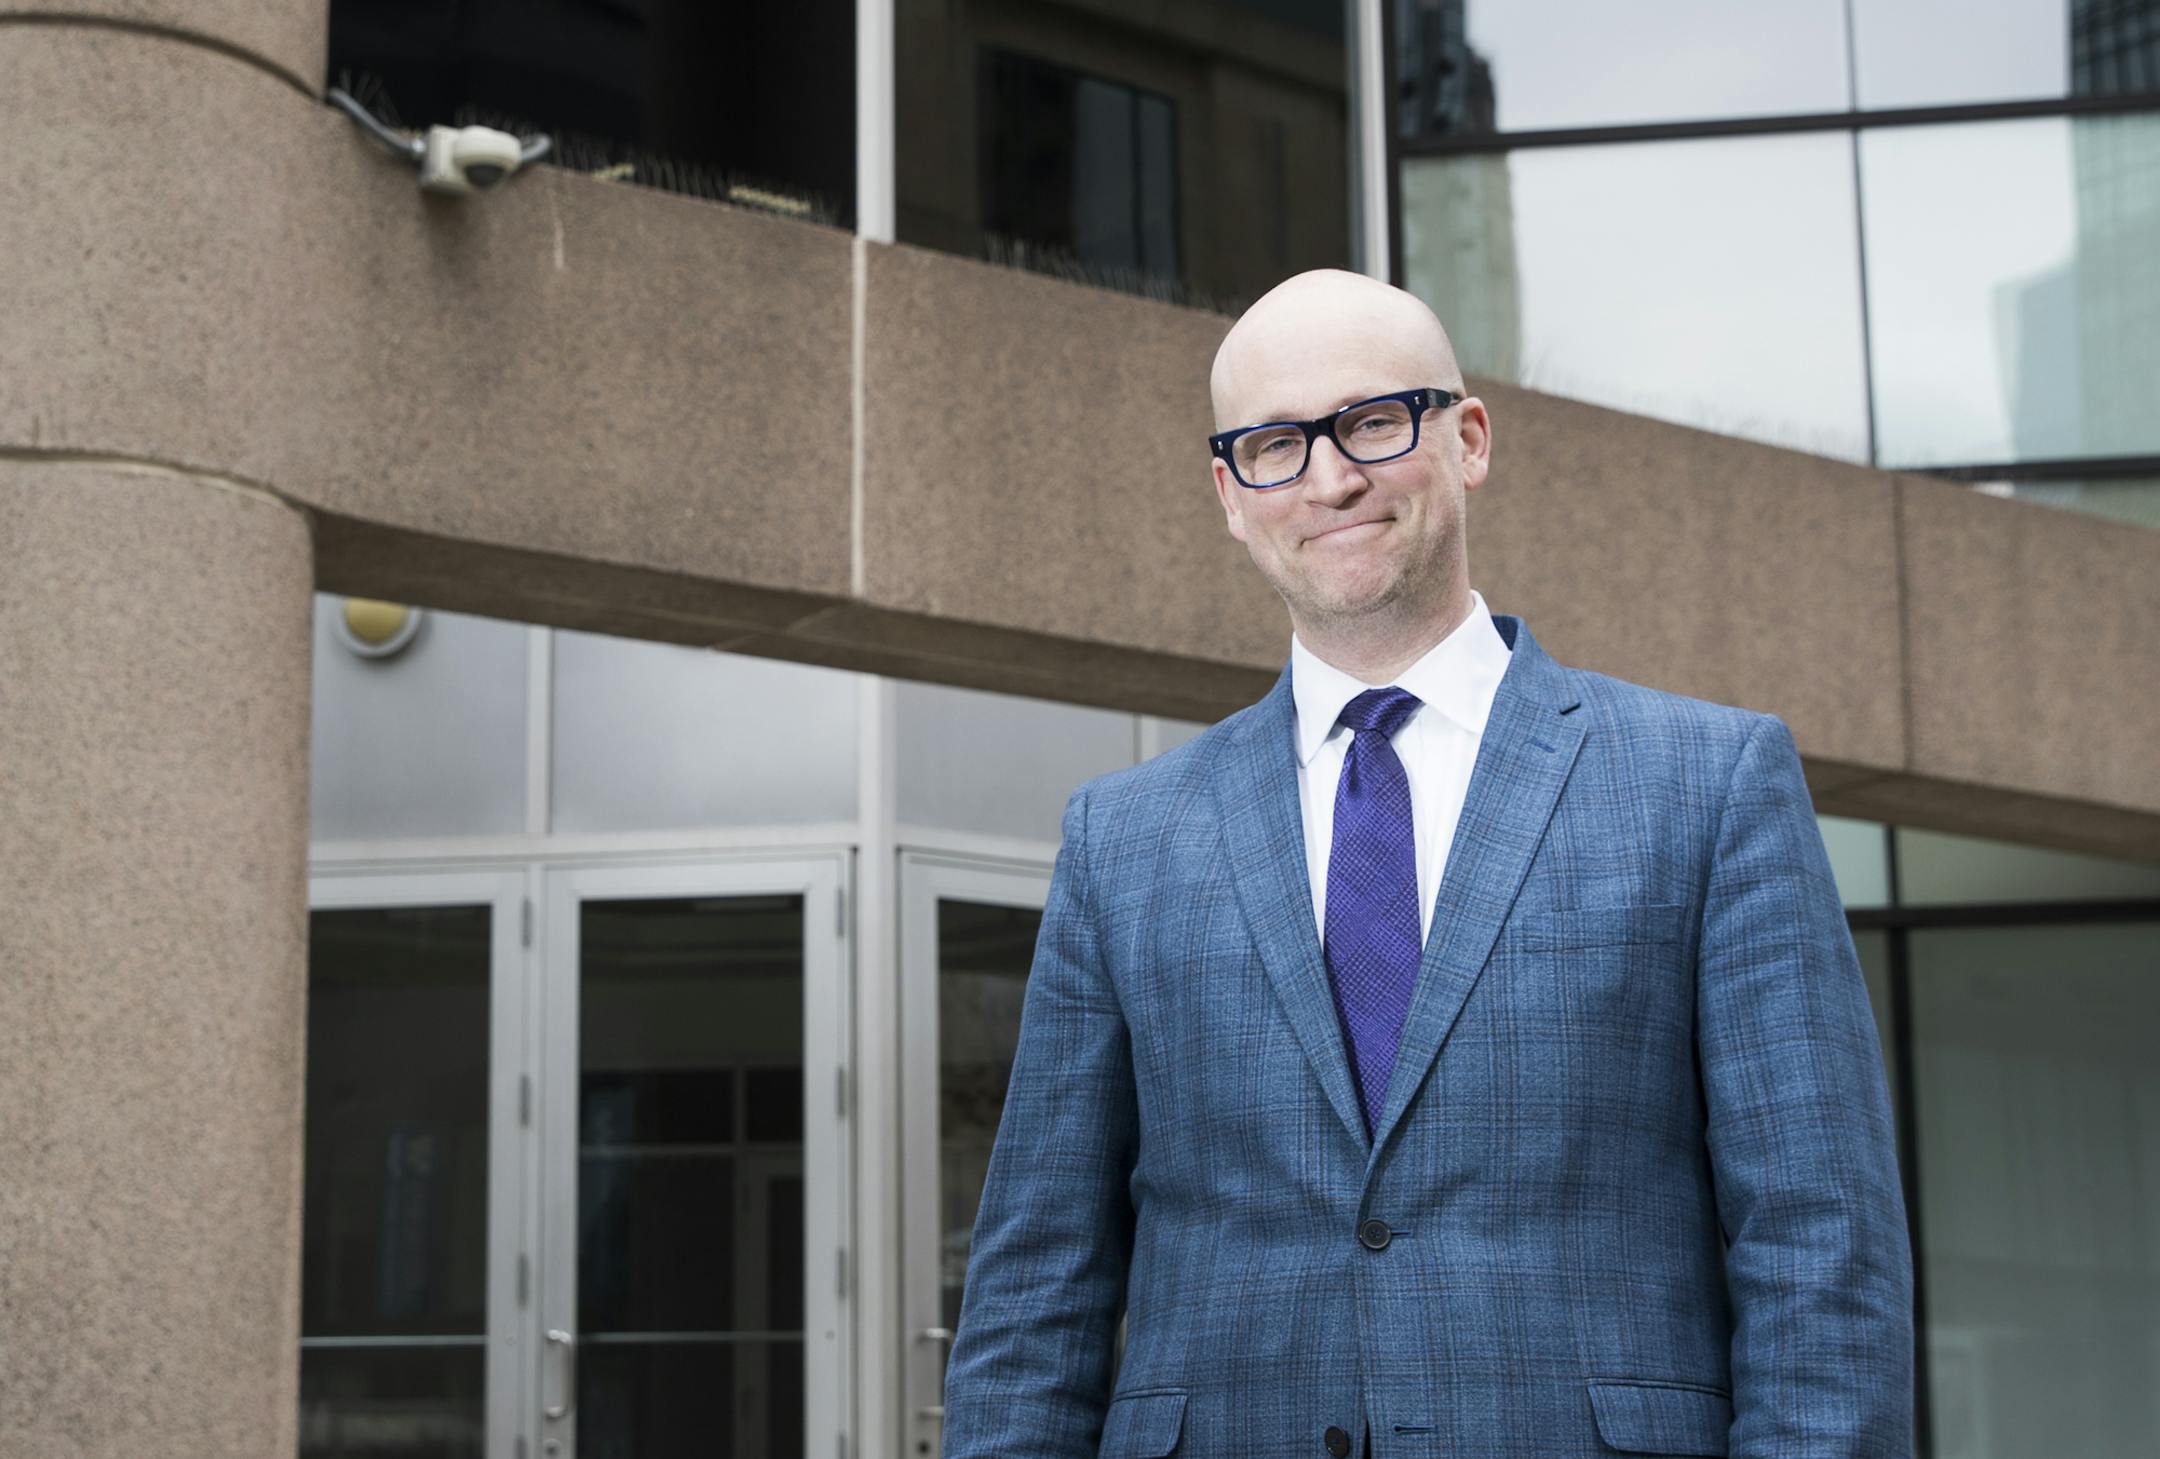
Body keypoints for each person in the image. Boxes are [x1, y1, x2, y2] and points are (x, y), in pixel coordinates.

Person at [939, 269, 1912, 1459]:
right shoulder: (1121, 839)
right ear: (1229, 495)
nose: (1329, 477)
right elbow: (1036, 1289)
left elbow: (1822, 1250)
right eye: (1274, 445)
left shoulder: (1710, 784)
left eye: (1372, 422)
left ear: (1469, 439)